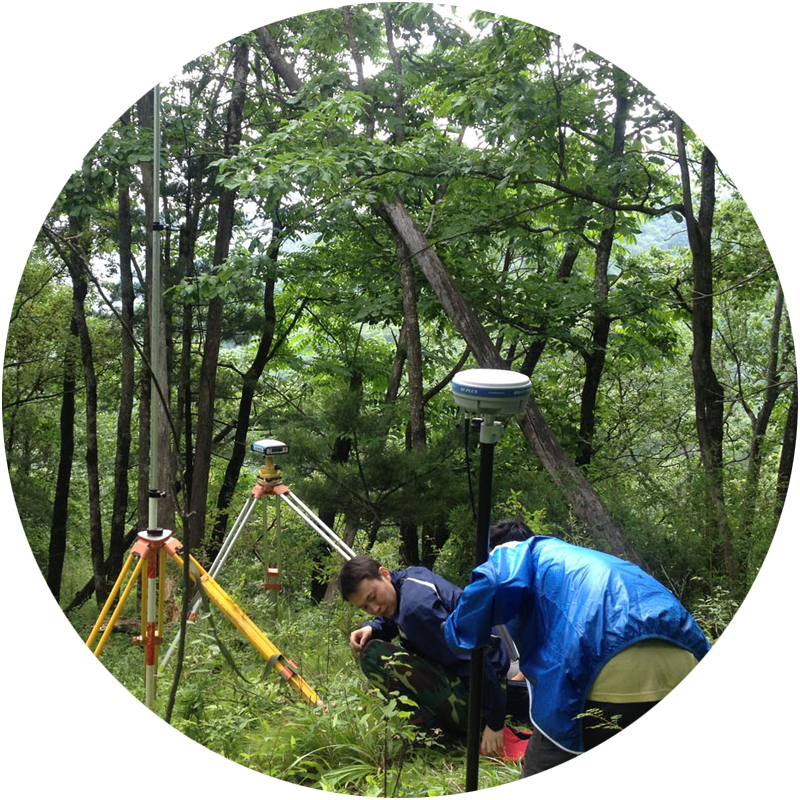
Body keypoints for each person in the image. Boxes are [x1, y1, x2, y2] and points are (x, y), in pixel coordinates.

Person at [443, 519, 712, 777]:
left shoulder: (512, 552)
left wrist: (458, 628)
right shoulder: (576, 557)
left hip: (606, 663)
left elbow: (497, 582)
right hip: (684, 657)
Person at [339, 554, 514, 754]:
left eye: (372, 597)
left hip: (481, 697)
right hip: (492, 677)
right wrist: (373, 627)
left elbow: (476, 658)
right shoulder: (410, 578)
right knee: (377, 645)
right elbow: (395, 617)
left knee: (373, 656)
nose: (375, 608)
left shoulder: (416, 609)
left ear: (384, 574)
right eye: (365, 607)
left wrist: (494, 722)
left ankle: (435, 733)